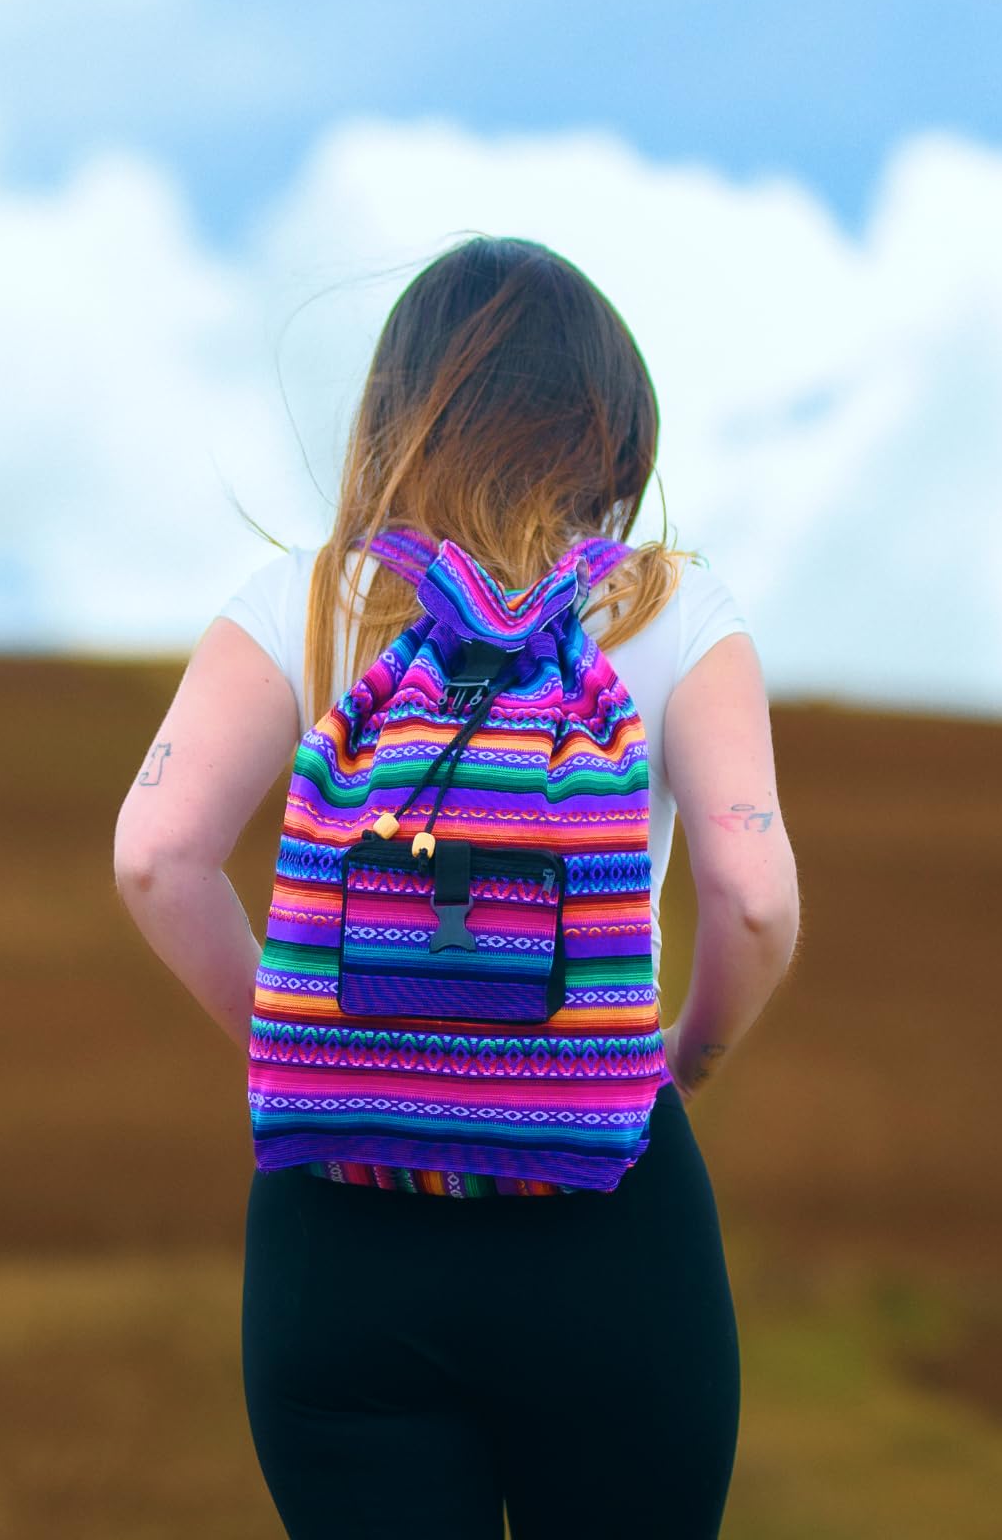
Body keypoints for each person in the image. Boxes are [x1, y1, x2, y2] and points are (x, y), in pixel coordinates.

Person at [113, 235, 802, 1538]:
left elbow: (154, 853)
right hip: (609, 1219)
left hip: (342, 1233)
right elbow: (755, 894)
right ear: (612, 432)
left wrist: (296, 1042)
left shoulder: (304, 601)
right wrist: (684, 1060)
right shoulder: (676, 611)